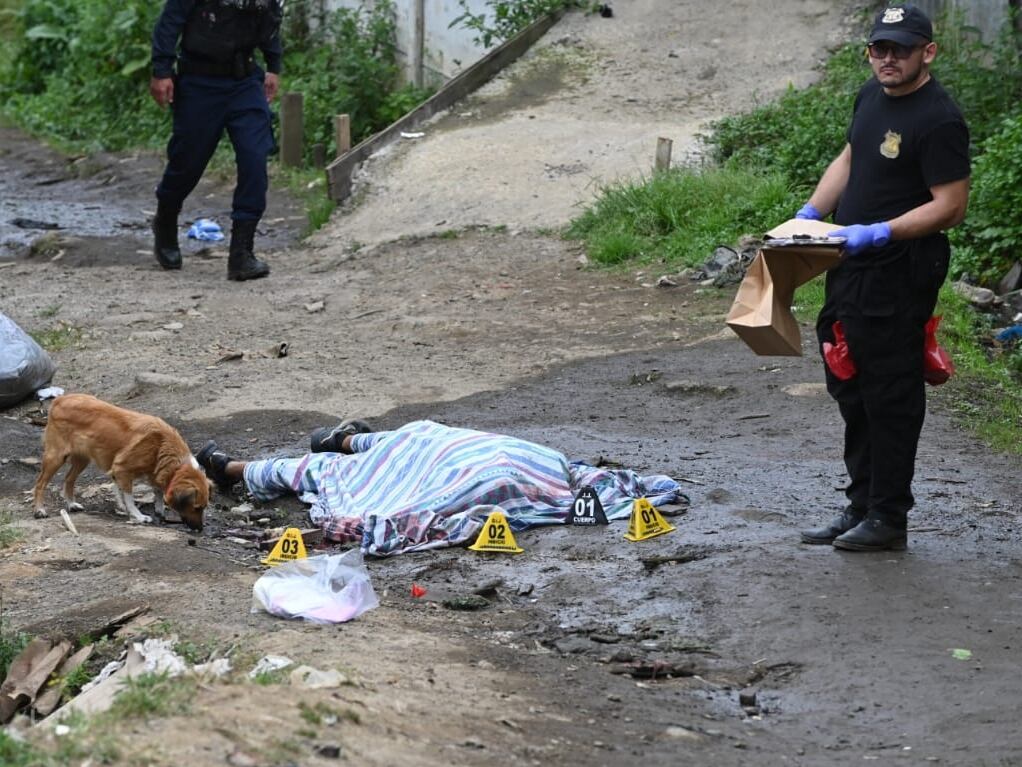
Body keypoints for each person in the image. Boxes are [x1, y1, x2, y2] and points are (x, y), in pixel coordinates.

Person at [795, 4, 970, 552]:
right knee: (848, 379)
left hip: (899, 269)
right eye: (879, 48)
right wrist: (811, 213)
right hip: (849, 261)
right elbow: (850, 156)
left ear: (928, 52)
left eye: (901, 48)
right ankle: (861, 504)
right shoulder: (871, 96)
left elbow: (950, 206)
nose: (888, 58)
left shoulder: (939, 118)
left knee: (890, 391)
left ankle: (890, 516)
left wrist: (880, 232)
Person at [196, 419, 685, 556]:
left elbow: (404, 521)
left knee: (329, 471)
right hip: (514, 461)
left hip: (474, 470)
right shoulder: (565, 477)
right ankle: (345, 437)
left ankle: (233, 469)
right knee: (421, 434)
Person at [149, 0, 283, 281]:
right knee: (188, 162)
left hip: (245, 81)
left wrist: (274, 64)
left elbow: (270, 19)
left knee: (254, 156)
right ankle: (165, 219)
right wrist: (161, 70)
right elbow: (170, 22)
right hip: (200, 82)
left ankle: (241, 254)